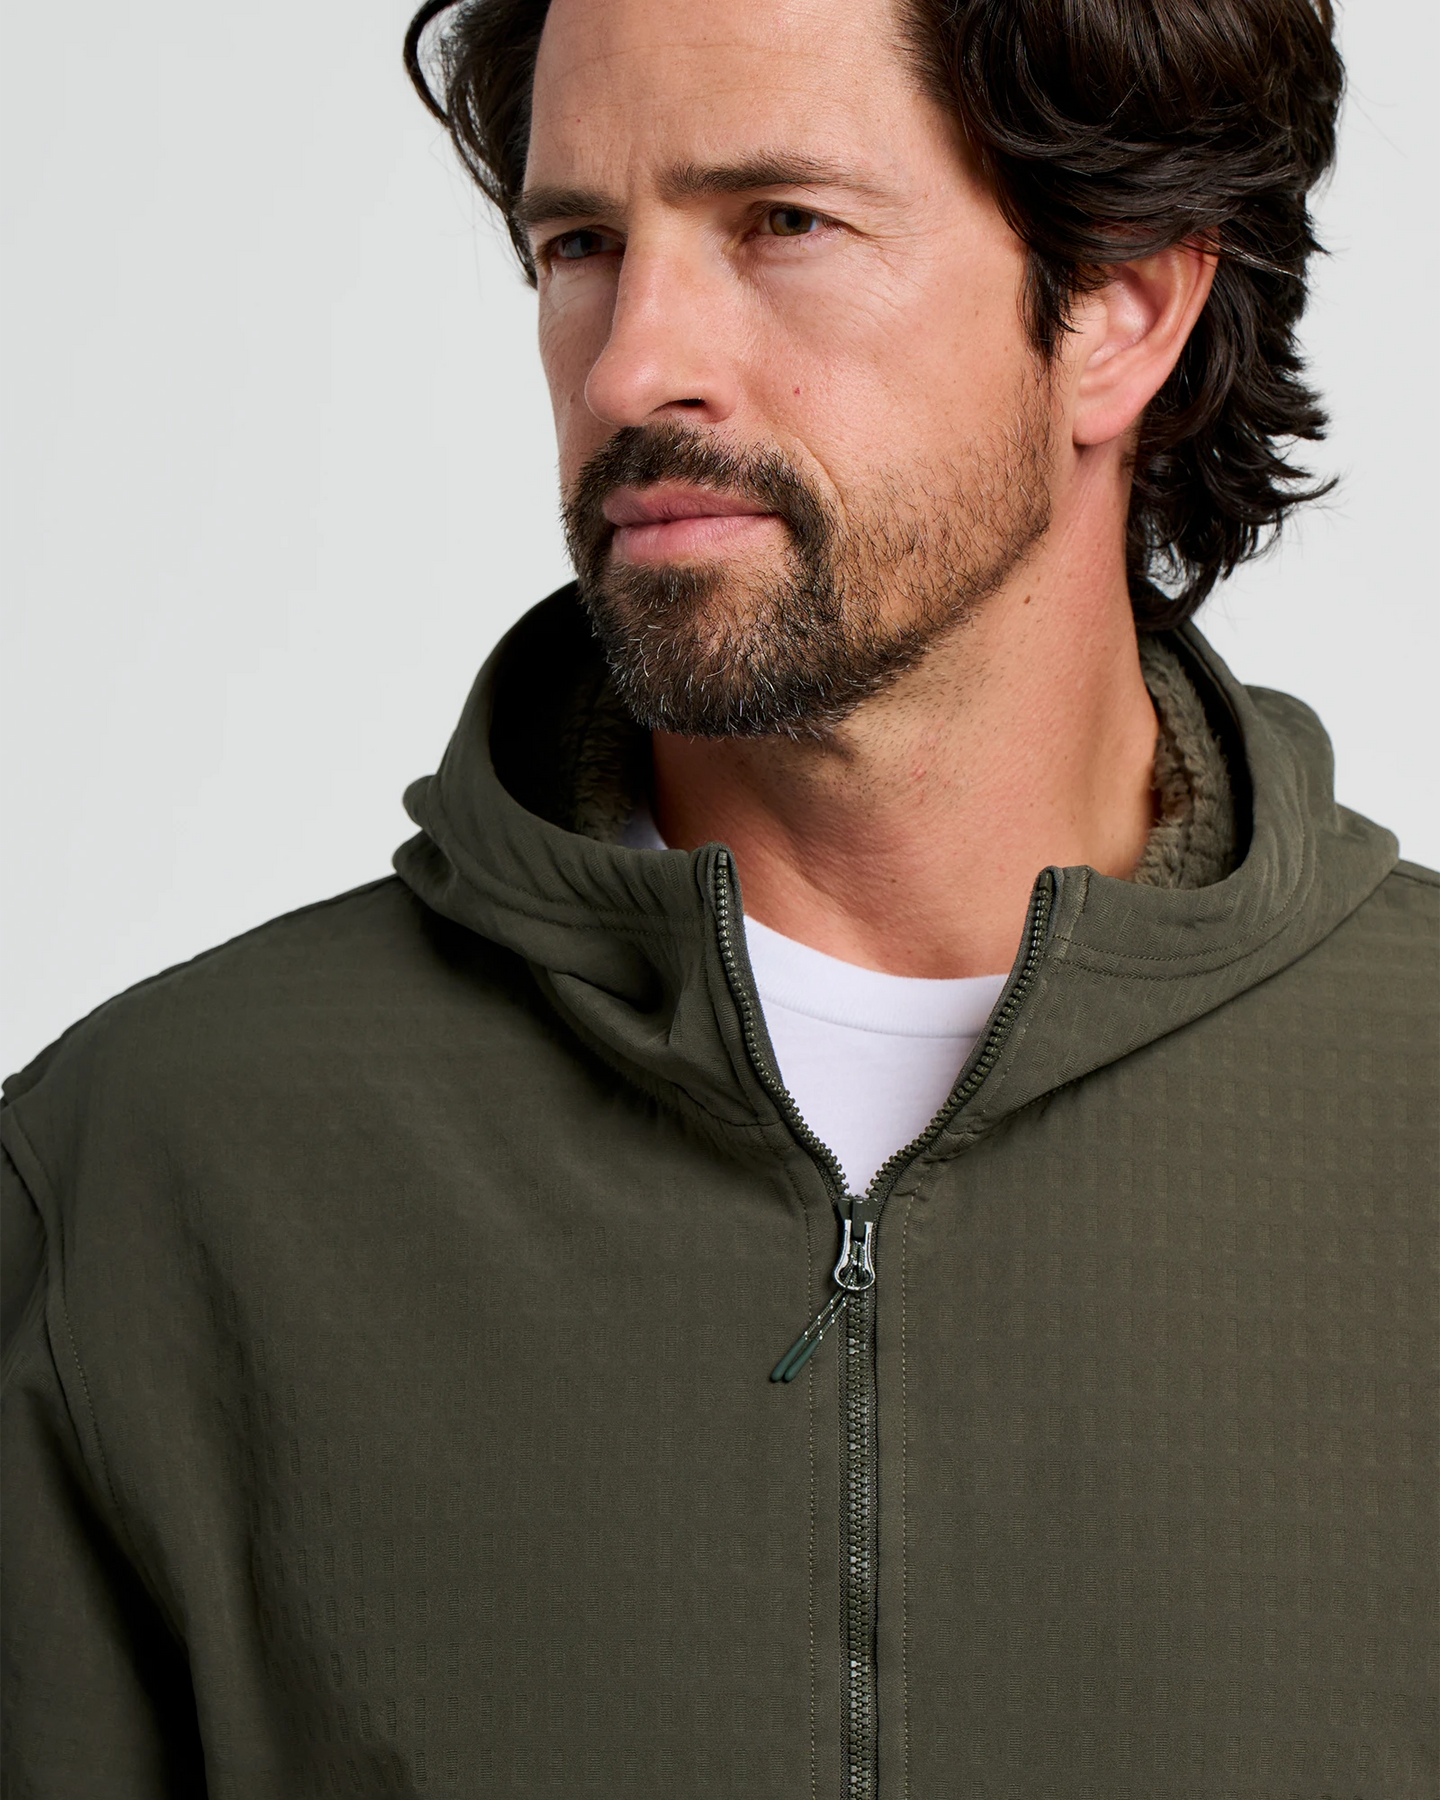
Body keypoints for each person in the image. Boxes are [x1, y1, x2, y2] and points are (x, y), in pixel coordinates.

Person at [3, 0, 1437, 1791]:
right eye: (580, 246)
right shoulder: (146, 1176)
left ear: (1124, 308)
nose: (629, 369)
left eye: (782, 222)